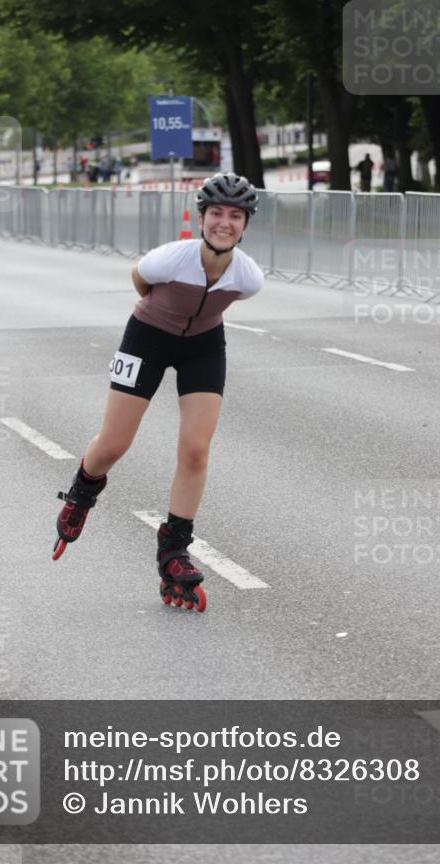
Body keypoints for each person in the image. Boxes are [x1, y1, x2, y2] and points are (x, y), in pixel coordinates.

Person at [53, 172, 264, 612]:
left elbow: (224, 302)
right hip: (147, 336)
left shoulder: (249, 277)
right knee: (114, 444)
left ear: (246, 224)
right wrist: (162, 315)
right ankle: (83, 490)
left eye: (236, 216)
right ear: (200, 217)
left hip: (204, 346)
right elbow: (140, 278)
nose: (224, 223)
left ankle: (174, 550)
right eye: (216, 214)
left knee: (195, 451)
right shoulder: (170, 259)